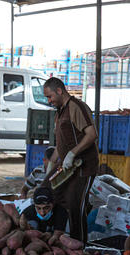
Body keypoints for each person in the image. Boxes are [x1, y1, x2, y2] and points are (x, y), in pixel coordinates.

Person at [43, 77, 98, 243]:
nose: (49, 101)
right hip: (66, 165)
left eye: (50, 96)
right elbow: (60, 143)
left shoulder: (76, 107)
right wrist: (52, 164)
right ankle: (55, 234)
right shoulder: (60, 112)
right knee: (45, 191)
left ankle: (79, 245)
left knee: (76, 206)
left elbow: (92, 134)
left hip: (83, 166)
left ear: (59, 91)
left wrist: (73, 153)